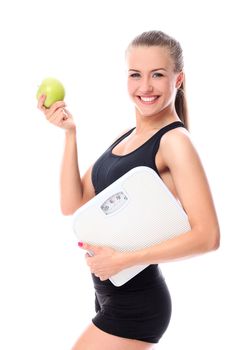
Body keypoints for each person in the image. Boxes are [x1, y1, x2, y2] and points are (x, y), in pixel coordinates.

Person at [37, 30, 220, 350]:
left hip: (137, 304)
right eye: (136, 74)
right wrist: (70, 134)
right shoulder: (126, 136)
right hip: (109, 295)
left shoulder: (175, 142)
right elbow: (73, 203)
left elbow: (208, 236)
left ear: (178, 80)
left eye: (157, 75)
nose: (145, 86)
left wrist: (123, 260)